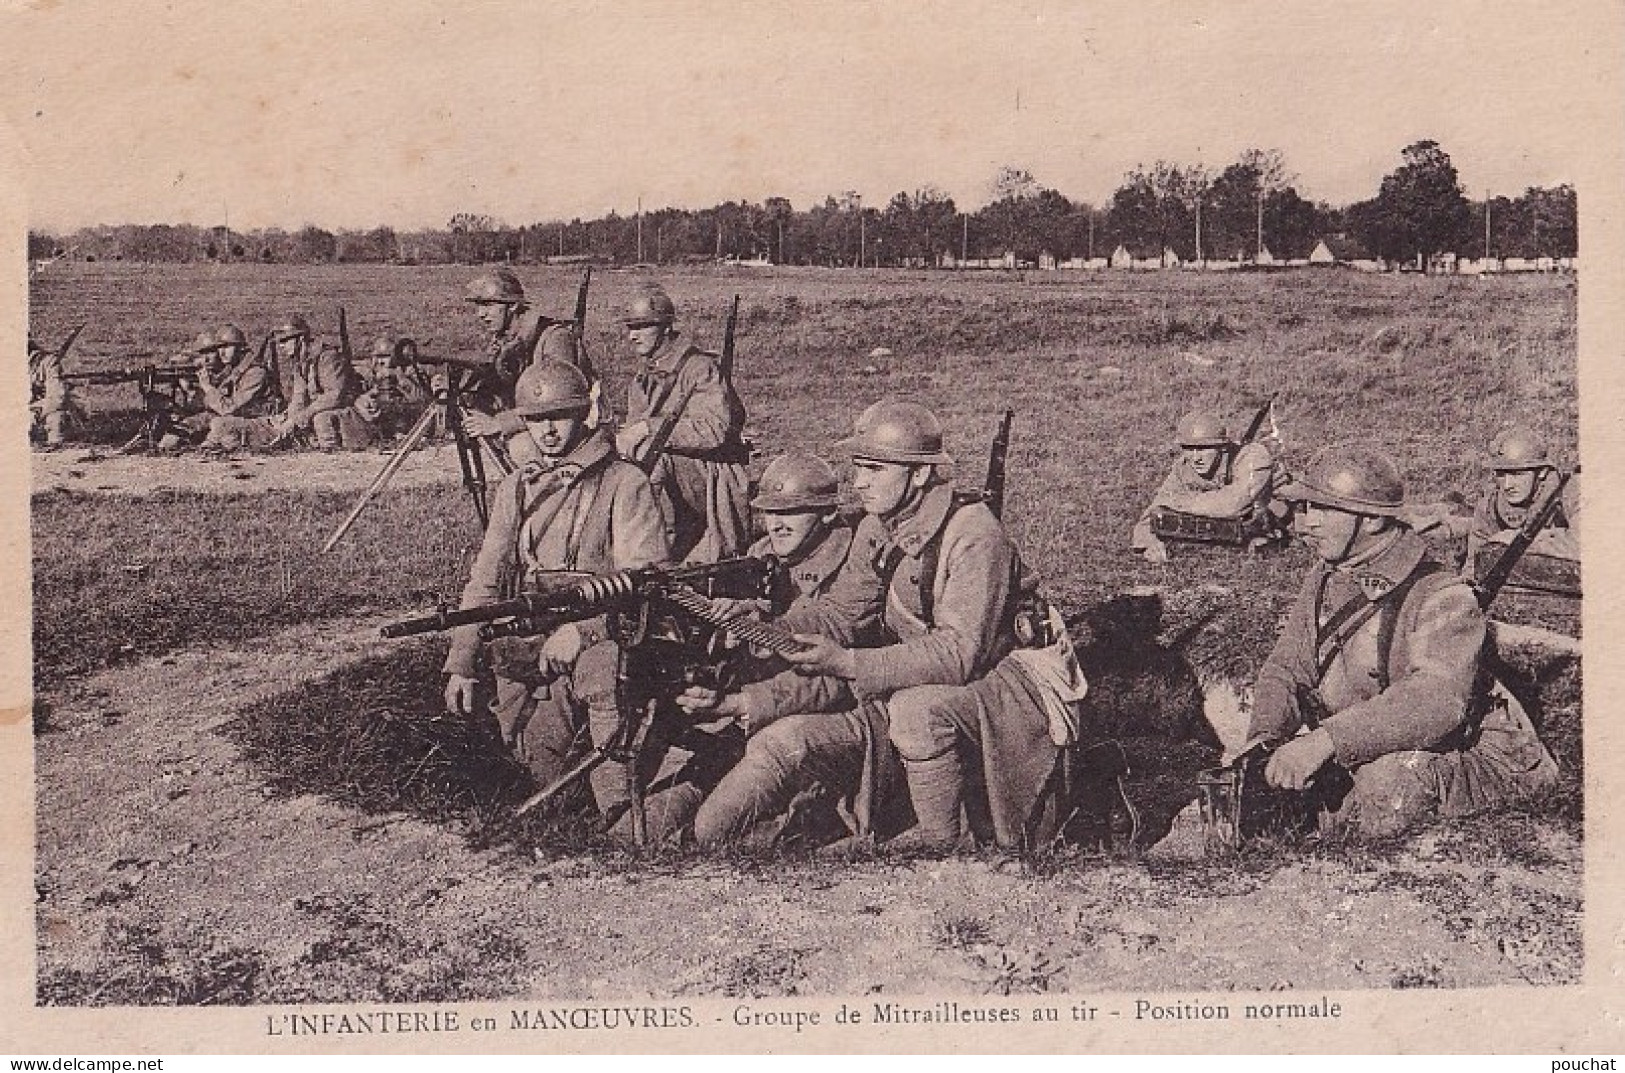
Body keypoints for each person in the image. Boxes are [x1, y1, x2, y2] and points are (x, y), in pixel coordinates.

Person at [684, 400, 1087, 853]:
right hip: (920, 678)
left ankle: (950, 857)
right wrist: (768, 627)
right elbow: (841, 614)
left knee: (918, 713)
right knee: (783, 743)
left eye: (874, 469)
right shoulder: (881, 526)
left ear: (918, 475)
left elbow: (960, 654)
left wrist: (847, 663)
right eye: (858, 467)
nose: (858, 482)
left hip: (1011, 684)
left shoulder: (974, 535)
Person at [1244, 446, 1559, 839]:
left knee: (1384, 785)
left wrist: (1325, 741)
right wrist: (1262, 743)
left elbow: (1436, 702)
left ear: (1374, 520)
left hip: (1476, 756)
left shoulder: (1442, 593)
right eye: (1307, 508)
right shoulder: (1327, 575)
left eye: (1324, 509)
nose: (1308, 523)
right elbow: (1287, 667)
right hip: (1374, 741)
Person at [441, 361, 676, 840]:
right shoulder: (517, 486)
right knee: (534, 770)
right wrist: (462, 660)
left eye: (559, 416)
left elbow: (645, 582)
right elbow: (485, 581)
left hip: (605, 637)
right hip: (528, 641)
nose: (547, 430)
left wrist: (583, 631)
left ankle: (622, 817)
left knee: (605, 677)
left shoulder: (623, 483)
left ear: (582, 414)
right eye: (534, 419)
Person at [616, 284, 751, 563]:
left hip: (714, 472)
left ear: (666, 327)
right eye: (630, 327)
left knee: (653, 455)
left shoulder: (699, 369)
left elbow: (716, 430)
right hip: (671, 471)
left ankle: (655, 554)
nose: (632, 336)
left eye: (642, 327)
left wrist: (650, 428)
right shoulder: (643, 378)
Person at [457, 269, 597, 452]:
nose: (481, 314)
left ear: (513, 306)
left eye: (488, 305)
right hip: (537, 422)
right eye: (479, 306)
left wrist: (500, 423)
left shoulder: (553, 338)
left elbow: (559, 406)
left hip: (571, 427)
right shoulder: (505, 340)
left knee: (521, 446)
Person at [1131, 409, 1282, 562]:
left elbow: (1234, 504)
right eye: (1189, 448)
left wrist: (1177, 502)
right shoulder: (1184, 467)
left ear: (1222, 447)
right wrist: (1149, 542)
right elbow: (1154, 510)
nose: (1196, 458)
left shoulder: (1252, 457)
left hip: (1276, 517)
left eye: (1204, 448)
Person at [205, 316, 356, 451]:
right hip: (305, 417)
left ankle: (332, 456)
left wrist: (301, 417)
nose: (281, 346)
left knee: (321, 420)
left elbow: (334, 396)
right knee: (224, 425)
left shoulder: (328, 358)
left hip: (338, 416)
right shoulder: (301, 364)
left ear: (301, 339)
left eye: (285, 340)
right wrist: (287, 420)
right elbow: (299, 400)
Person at [1465, 426, 1579, 571]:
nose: (1507, 485)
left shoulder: (1568, 493)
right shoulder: (1490, 508)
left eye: (1517, 474)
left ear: (1542, 472)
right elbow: (1473, 569)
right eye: (1501, 474)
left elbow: (1585, 545)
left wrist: (1514, 542)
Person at [314, 336, 430, 451]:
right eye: (378, 357)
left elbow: (422, 399)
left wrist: (400, 379)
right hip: (373, 418)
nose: (381, 362)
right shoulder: (369, 371)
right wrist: (364, 397)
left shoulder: (409, 371)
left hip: (402, 419)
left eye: (385, 357)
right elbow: (349, 392)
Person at [196, 325, 284, 452]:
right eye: (219, 347)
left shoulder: (256, 372)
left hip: (264, 425)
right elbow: (214, 405)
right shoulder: (234, 370)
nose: (222, 352)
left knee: (219, 424)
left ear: (240, 348)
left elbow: (228, 408)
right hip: (242, 421)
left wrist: (208, 388)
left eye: (227, 347)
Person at [28, 334, 78, 449]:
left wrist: (35, 411)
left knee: (56, 414)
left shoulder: (48, 362)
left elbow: (56, 395)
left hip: (43, 407)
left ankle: (55, 445)